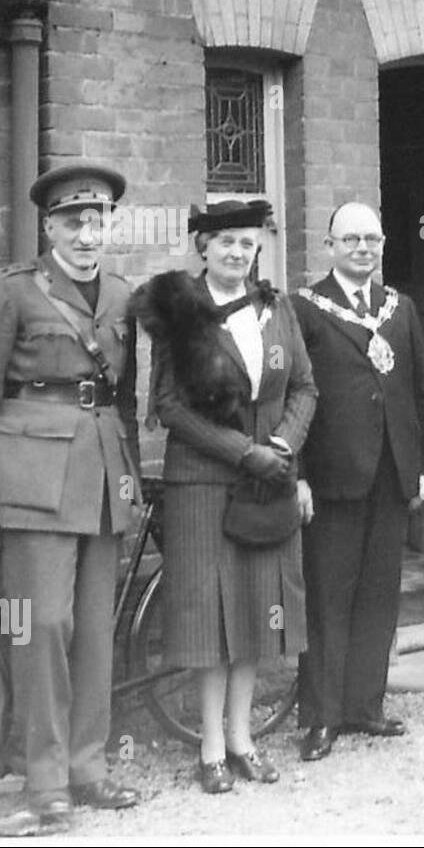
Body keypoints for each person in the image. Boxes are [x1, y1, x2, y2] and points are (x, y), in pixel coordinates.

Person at [0, 162, 142, 823]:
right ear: (50, 226)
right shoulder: (9, 293)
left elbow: (125, 397)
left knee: (93, 628)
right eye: (74, 222)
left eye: (98, 221)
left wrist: (131, 480)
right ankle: (43, 777)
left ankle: (88, 767)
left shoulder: (121, 296)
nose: (88, 234)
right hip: (31, 481)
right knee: (42, 626)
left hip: (101, 478)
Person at [132, 200, 317, 790]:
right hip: (206, 486)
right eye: (225, 243)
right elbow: (168, 407)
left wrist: (284, 444)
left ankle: (243, 739)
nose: (237, 253)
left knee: (258, 614)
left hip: (268, 481)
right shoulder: (181, 315)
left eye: (246, 243)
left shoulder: (277, 308)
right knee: (213, 618)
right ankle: (210, 748)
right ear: (202, 249)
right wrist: (245, 452)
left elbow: (307, 387)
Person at [292, 203, 424, 760]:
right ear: (329, 245)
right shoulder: (303, 307)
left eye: (372, 238)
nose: (362, 248)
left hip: (391, 471)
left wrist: (420, 467)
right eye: (350, 239)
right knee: (328, 592)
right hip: (333, 474)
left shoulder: (401, 308)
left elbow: (420, 391)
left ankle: (366, 706)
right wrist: (297, 475)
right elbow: (293, 394)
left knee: (379, 591)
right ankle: (321, 716)